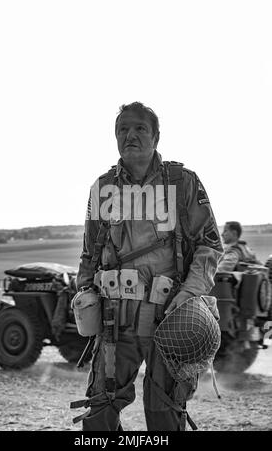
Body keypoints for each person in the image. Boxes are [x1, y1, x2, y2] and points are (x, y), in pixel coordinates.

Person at [72, 102, 223, 431]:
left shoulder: (183, 182)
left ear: (156, 136)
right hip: (116, 322)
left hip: (170, 321)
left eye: (140, 128)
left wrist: (189, 293)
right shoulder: (102, 187)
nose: (131, 135)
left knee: (164, 411)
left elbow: (210, 245)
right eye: (123, 129)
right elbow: (89, 253)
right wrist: (84, 292)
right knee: (100, 412)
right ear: (115, 138)